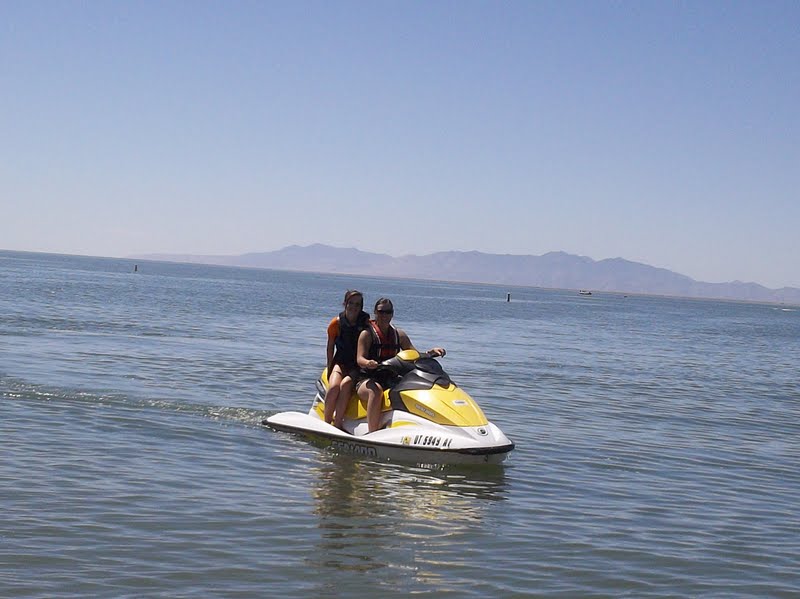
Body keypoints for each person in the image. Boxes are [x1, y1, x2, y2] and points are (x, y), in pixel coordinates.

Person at [355, 297, 445, 433]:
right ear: (375, 312)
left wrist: (431, 353)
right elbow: (359, 359)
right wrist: (369, 363)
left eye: (388, 312)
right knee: (376, 391)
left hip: (390, 378)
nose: (385, 315)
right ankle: (372, 432)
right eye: (381, 312)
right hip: (366, 380)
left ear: (392, 314)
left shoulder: (399, 335)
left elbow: (414, 355)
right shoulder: (366, 334)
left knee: (414, 387)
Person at [324, 290, 370, 428]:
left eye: (357, 304)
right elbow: (330, 346)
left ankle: (338, 423)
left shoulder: (366, 322)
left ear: (361, 306)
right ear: (345, 304)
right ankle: (326, 422)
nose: (354, 307)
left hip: (356, 366)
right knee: (333, 387)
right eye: (351, 303)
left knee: (345, 385)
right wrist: (330, 366)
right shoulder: (336, 323)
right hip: (341, 361)